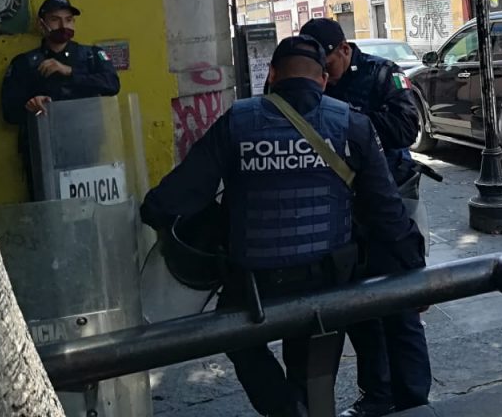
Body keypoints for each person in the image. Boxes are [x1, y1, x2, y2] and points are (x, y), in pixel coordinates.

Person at [140, 35, 425, 417]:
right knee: (311, 366)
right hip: (329, 280)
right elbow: (387, 211)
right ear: (323, 79)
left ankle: (287, 408)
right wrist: (415, 268)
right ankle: (304, 404)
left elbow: (172, 199)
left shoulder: (237, 122)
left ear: (272, 74)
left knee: (237, 338)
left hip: (254, 284)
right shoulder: (350, 124)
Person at [300, 18, 430, 417]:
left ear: (343, 50)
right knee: (360, 312)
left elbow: (408, 126)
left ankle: (413, 399)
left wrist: (351, 125)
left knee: (400, 306)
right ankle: (376, 395)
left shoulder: (381, 75)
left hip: (389, 200)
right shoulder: (311, 82)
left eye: (329, 66)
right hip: (341, 210)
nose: (324, 76)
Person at [0, 0, 120, 198]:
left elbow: (112, 84)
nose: (63, 25)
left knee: (87, 209)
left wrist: (70, 72)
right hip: (42, 152)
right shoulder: (26, 63)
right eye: (55, 19)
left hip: (85, 148)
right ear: (42, 24)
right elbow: (9, 110)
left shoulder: (90, 56)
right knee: (48, 207)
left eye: (69, 19)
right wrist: (30, 105)